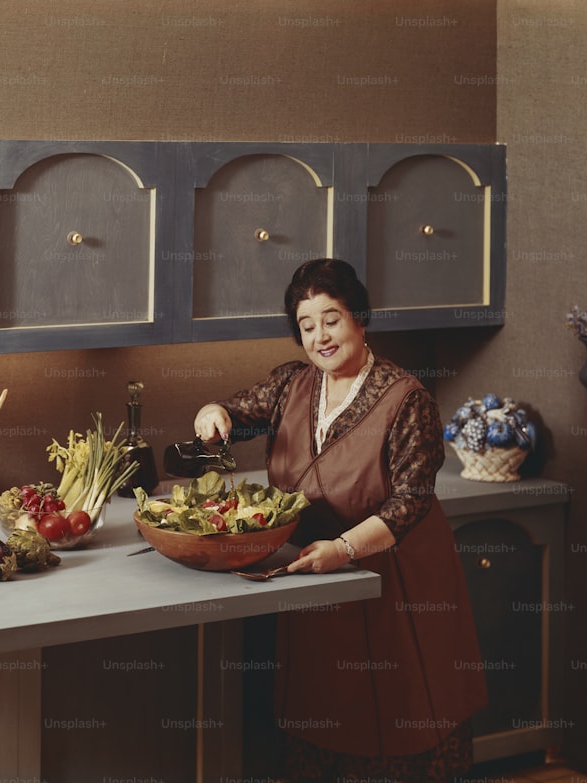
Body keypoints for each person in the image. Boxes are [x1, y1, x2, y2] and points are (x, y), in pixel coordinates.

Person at [193, 258, 488, 783]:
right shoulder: (291, 385)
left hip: (395, 574)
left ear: (360, 319)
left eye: (331, 319)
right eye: (307, 326)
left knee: (403, 706)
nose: (320, 336)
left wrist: (345, 549)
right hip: (316, 569)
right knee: (327, 698)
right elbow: (236, 413)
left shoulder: (407, 400)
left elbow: (409, 503)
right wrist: (212, 414)